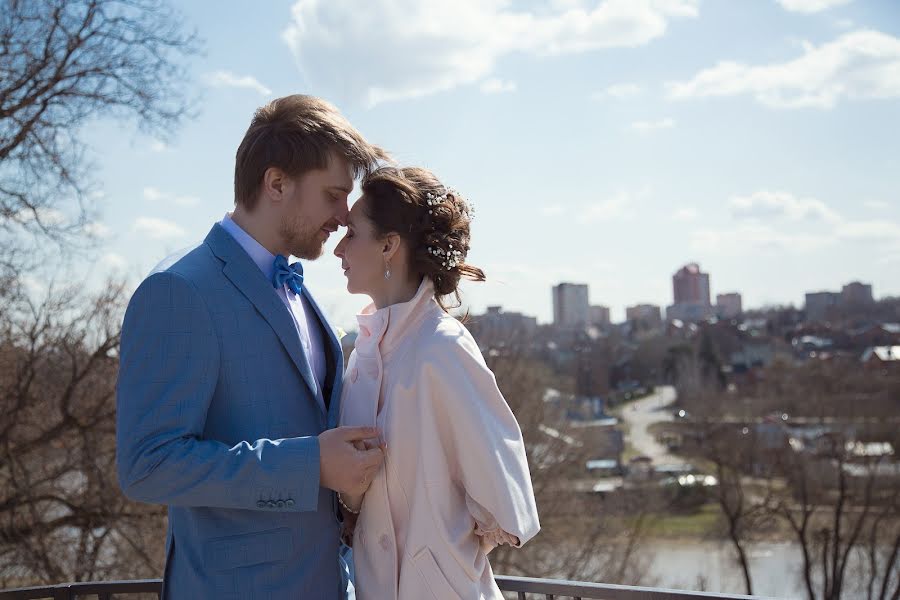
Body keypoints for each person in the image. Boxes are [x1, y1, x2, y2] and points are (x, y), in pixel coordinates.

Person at [116, 95, 388, 599]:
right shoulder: (179, 292)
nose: (345, 216)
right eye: (332, 194)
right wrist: (310, 465)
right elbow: (147, 465)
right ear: (277, 183)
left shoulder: (300, 291)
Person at [333, 166, 540, 599]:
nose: (338, 249)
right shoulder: (362, 354)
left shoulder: (442, 347)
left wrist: (433, 558)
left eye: (352, 233)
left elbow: (504, 502)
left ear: (389, 245)